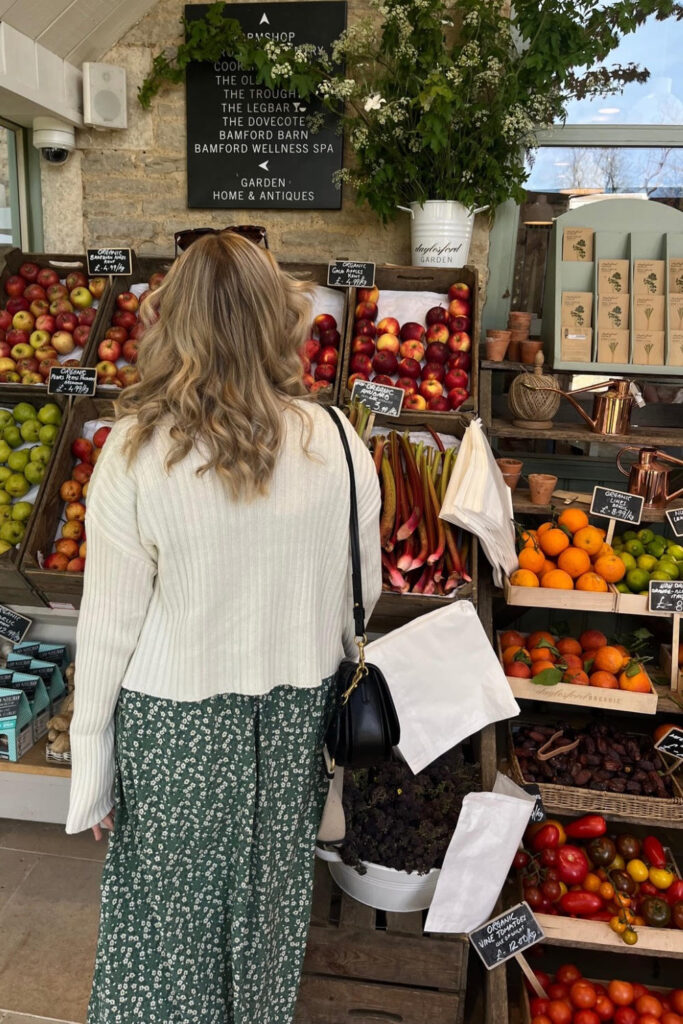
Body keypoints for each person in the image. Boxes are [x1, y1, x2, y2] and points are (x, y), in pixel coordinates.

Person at [66, 232, 382, 1024]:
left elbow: (109, 627)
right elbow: (362, 594)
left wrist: (91, 764)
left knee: (165, 927)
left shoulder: (134, 454)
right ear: (282, 320)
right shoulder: (340, 443)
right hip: (293, 722)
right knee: (269, 916)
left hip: (171, 724)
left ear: (172, 325)